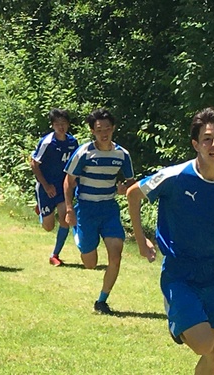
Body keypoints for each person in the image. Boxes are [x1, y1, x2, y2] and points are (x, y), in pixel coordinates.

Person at [126, 107, 214, 375]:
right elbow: (133, 194)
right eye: (207, 138)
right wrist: (141, 240)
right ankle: (178, 321)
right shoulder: (175, 177)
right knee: (204, 345)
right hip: (180, 272)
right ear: (195, 144)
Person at [64, 108, 135, 315]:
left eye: (107, 129)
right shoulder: (84, 152)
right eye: (99, 130)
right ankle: (77, 232)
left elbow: (131, 183)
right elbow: (68, 181)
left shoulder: (122, 155)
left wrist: (124, 189)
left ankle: (102, 301)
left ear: (113, 129)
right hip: (86, 208)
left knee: (116, 255)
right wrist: (69, 209)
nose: (104, 133)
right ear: (92, 131)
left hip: (109, 209)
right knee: (90, 263)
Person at [31, 108, 79, 266]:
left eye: (64, 123)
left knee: (65, 219)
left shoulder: (73, 142)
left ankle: (55, 255)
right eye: (58, 124)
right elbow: (34, 164)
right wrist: (45, 185)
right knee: (48, 226)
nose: (61, 127)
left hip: (63, 187)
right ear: (52, 125)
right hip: (46, 187)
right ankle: (41, 209)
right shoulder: (47, 142)